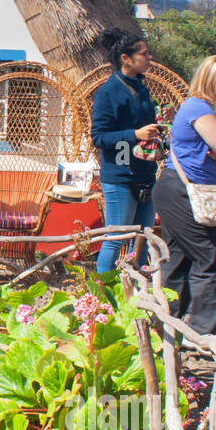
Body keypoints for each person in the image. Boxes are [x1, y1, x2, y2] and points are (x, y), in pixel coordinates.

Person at [152, 55, 216, 335]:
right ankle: (200, 334)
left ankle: (169, 326)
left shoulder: (192, 107)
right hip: (181, 191)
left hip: (172, 189)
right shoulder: (198, 108)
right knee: (214, 261)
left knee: (178, 260)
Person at [90, 29, 161, 273]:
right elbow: (98, 138)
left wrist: (161, 119)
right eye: (144, 53)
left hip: (146, 175)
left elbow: (145, 125)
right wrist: (134, 135)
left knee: (142, 239)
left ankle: (136, 296)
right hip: (120, 177)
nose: (150, 57)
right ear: (126, 58)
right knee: (115, 240)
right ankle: (103, 300)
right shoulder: (107, 93)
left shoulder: (142, 88)